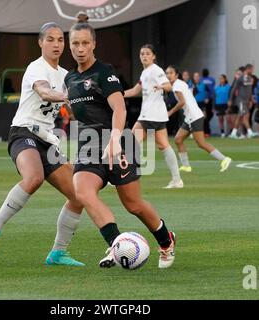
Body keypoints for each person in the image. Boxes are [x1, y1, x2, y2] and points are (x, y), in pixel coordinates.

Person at [65, 14, 176, 269]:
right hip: (89, 145)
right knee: (82, 191)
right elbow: (81, 115)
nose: (80, 49)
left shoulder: (105, 73)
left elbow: (120, 109)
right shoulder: (69, 79)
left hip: (118, 141)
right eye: (75, 44)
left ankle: (166, 240)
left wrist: (115, 138)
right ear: (70, 45)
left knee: (133, 204)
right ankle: (118, 246)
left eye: (85, 43)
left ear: (93, 44)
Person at [0, 22, 85, 267]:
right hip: (23, 132)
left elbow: (77, 109)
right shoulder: (36, 68)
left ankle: (58, 253)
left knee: (79, 195)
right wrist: (71, 96)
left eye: (60, 40)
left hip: (47, 139)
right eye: (50, 39)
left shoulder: (67, 76)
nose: (56, 44)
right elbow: (45, 92)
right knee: (34, 177)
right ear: (40, 42)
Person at [124, 44, 183, 189]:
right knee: (164, 146)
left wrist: (161, 86)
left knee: (129, 143)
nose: (144, 56)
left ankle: (125, 177)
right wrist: (116, 94)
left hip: (150, 115)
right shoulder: (145, 73)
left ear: (153, 56)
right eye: (142, 53)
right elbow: (134, 91)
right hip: (156, 115)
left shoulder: (155, 70)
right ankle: (177, 180)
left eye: (147, 53)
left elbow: (168, 85)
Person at [166, 65, 232, 173]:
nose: (168, 75)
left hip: (194, 116)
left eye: (171, 73)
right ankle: (186, 166)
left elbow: (182, 102)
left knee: (201, 143)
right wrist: (160, 86)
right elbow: (169, 87)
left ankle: (224, 159)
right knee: (178, 140)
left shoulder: (177, 86)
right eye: (167, 73)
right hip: (190, 117)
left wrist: (170, 112)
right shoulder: (180, 83)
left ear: (176, 75)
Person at [228, 64, 257, 138]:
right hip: (240, 101)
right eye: (252, 69)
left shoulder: (250, 78)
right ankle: (249, 131)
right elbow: (234, 89)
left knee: (240, 116)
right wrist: (230, 100)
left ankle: (233, 133)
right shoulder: (240, 78)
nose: (252, 71)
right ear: (248, 69)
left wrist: (251, 100)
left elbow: (250, 90)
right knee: (244, 116)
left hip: (246, 101)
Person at [227, 68, 243, 134]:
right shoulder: (233, 84)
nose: (238, 75)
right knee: (232, 118)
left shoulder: (242, 84)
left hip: (240, 103)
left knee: (240, 118)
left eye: (239, 74)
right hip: (233, 103)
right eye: (237, 74)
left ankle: (240, 132)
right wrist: (229, 101)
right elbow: (231, 93)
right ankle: (234, 132)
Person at [201, 68, 215, 136]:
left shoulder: (201, 80)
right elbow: (212, 87)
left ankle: (206, 129)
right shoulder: (212, 79)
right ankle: (207, 130)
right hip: (211, 99)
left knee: (205, 116)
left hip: (204, 99)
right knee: (208, 114)